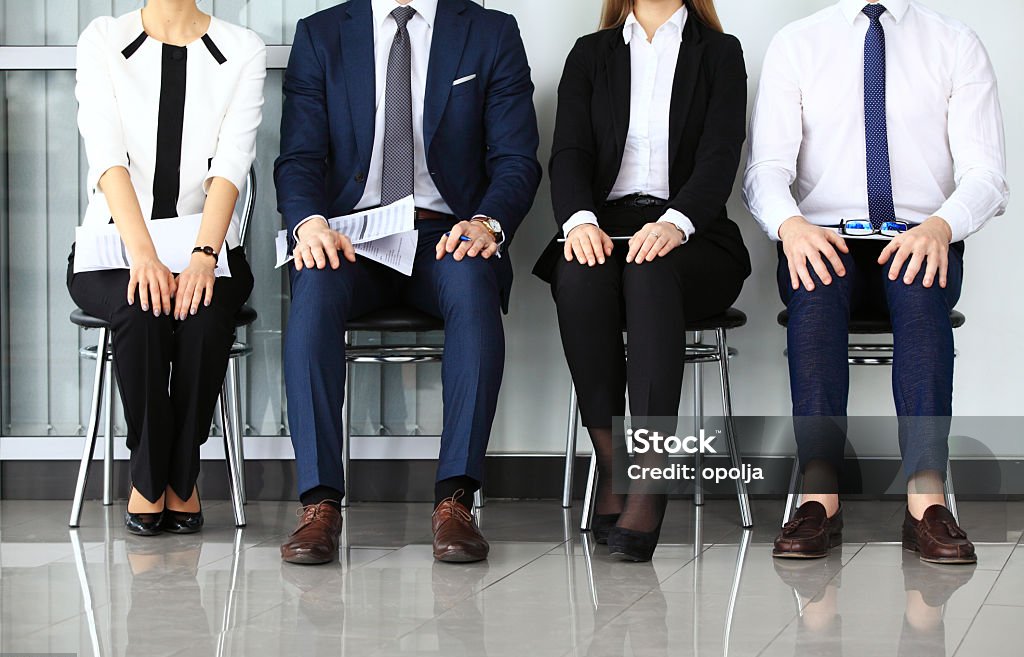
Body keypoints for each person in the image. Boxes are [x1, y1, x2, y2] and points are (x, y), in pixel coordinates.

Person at [275, 0, 541, 565]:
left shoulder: (489, 32)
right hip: (352, 235)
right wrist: (309, 224)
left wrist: (486, 223)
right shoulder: (321, 35)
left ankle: (456, 500)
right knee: (314, 287)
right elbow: (297, 159)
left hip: (444, 233)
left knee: (473, 287)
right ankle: (319, 505)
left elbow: (517, 157)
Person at [744, 0, 1009, 563]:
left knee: (920, 300)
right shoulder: (798, 41)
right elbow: (766, 168)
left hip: (920, 235)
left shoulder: (955, 42)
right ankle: (820, 499)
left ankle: (927, 503)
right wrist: (790, 226)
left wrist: (941, 227)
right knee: (814, 299)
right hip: (824, 234)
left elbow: (986, 173)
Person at [533, 0, 751, 562]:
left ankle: (651, 480)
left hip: (694, 233)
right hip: (604, 226)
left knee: (652, 271)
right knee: (578, 278)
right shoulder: (591, 53)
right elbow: (569, 153)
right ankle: (613, 466)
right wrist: (579, 223)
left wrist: (676, 222)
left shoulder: (720, 53)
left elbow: (721, 156)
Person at [68, 0, 265, 535]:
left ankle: (181, 475)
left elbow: (231, 168)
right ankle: (152, 479)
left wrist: (203, 256)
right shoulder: (103, 39)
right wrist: (145, 257)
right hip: (116, 250)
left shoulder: (243, 49)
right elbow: (107, 159)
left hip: (207, 248)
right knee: (141, 307)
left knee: (204, 317)